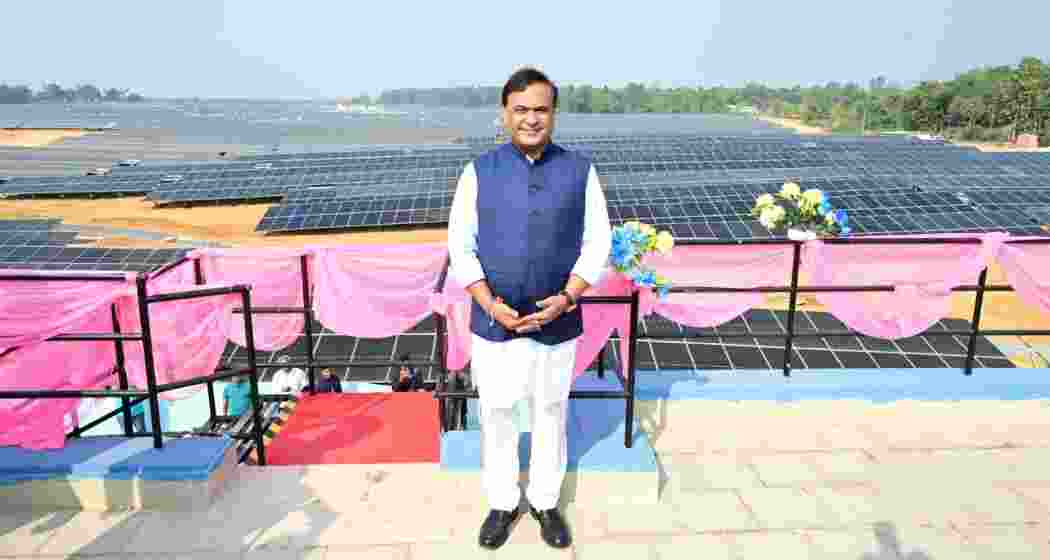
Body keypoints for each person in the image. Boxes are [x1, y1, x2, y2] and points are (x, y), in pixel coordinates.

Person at [447, 67, 612, 550]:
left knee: (550, 412)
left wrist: (567, 297)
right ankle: (502, 502)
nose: (531, 119)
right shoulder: (478, 172)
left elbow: (597, 241)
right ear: (504, 115)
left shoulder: (580, 170)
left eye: (540, 109)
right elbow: (462, 247)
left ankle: (544, 501)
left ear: (553, 114)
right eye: (521, 110)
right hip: (493, 322)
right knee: (497, 412)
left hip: (557, 322)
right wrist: (488, 304)